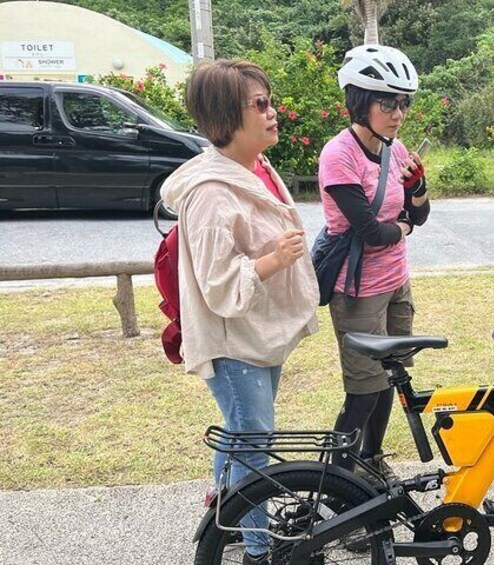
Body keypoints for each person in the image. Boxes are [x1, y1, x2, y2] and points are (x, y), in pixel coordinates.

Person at [161, 59, 319, 565]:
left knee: (242, 436)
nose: (273, 113)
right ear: (226, 116)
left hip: (256, 334)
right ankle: (257, 548)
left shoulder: (256, 168)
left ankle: (224, 515)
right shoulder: (210, 194)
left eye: (269, 101)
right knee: (253, 446)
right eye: (261, 105)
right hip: (233, 343)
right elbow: (217, 285)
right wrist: (274, 258)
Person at [318, 44, 430, 486]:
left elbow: (417, 214)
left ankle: (372, 459)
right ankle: (337, 483)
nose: (398, 113)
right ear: (359, 102)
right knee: (362, 392)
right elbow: (372, 232)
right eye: (387, 103)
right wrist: (402, 226)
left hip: (395, 282)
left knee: (389, 379)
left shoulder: (396, 149)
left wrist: (417, 189)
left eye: (403, 103)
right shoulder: (338, 155)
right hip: (358, 289)